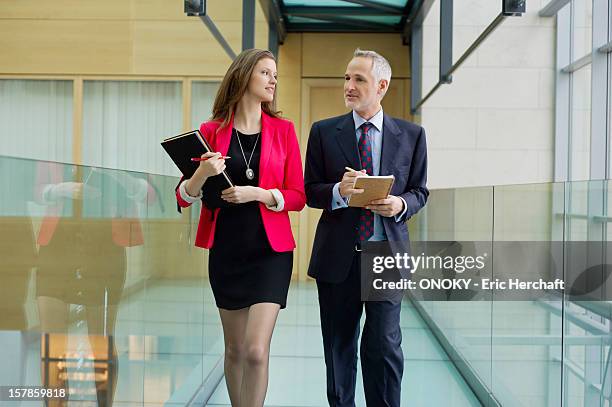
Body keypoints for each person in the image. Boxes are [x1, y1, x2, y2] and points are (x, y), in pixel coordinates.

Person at [175, 49, 305, 407]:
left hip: (271, 252)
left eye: (275, 74)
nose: (273, 80)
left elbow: (298, 195)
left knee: (255, 351)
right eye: (265, 72)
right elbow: (183, 196)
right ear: (244, 76)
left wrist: (261, 194)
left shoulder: (284, 131)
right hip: (227, 251)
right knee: (233, 350)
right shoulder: (209, 132)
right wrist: (202, 173)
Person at [304, 49, 429, 407]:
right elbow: (311, 190)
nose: (349, 86)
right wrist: (339, 192)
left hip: (385, 256)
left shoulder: (412, 135)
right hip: (337, 258)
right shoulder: (324, 132)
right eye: (347, 78)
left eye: (359, 79)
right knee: (339, 345)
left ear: (382, 86)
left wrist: (400, 204)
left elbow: (420, 191)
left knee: (384, 344)